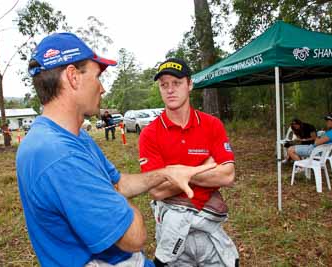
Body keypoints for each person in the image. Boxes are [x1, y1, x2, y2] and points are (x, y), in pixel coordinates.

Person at [16, 33, 216, 267]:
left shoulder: (73, 136)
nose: (102, 88)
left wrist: (166, 172)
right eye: (97, 76)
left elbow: (119, 183)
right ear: (73, 77)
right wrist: (113, 194)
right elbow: (135, 236)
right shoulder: (59, 154)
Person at [139, 58, 239, 267]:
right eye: (164, 84)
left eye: (176, 83)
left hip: (209, 229)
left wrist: (175, 173)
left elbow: (227, 175)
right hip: (172, 231)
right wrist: (205, 167)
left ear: (190, 84)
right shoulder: (150, 134)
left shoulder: (211, 125)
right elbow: (157, 191)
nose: (170, 90)